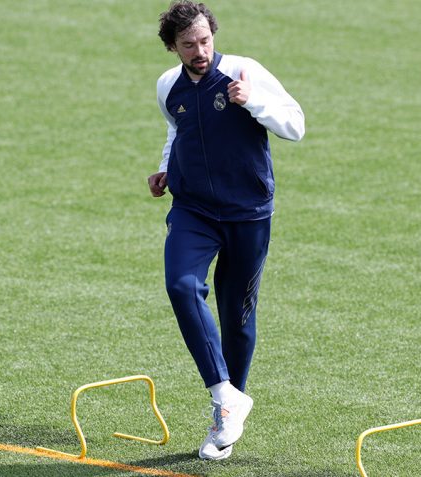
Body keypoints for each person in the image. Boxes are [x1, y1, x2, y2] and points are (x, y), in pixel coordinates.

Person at [148, 0, 305, 460]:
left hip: (248, 213)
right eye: (187, 44)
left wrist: (251, 101)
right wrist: (164, 169)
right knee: (180, 285)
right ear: (172, 47)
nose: (199, 50)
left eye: (204, 40)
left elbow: (295, 126)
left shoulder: (243, 71)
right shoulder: (167, 85)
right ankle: (225, 395)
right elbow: (178, 131)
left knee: (237, 317)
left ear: (213, 35)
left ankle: (226, 422)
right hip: (193, 209)